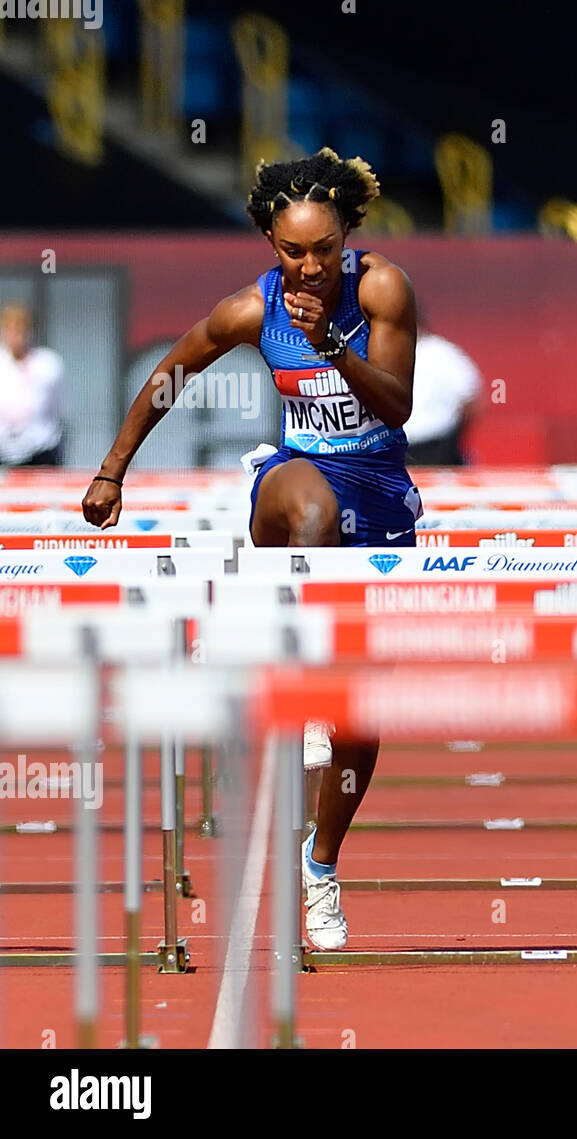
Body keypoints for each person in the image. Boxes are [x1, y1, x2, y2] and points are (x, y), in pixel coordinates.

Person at [82, 147, 422, 950]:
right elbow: (171, 373)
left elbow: (400, 406)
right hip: (294, 483)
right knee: (308, 508)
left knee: (361, 723)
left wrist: (336, 348)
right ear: (270, 243)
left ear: (348, 237)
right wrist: (111, 471)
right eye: (292, 251)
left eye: (324, 250)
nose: (308, 268)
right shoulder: (251, 309)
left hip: (377, 487)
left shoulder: (383, 289)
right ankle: (290, 662)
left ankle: (322, 864)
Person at [403, 331, 482, 465]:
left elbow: (470, 401)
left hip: (436, 447)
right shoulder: (444, 353)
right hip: (397, 448)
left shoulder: (442, 353)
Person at [0, 300, 64, 467]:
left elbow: (56, 409)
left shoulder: (48, 364)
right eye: (11, 329)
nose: (16, 335)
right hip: (4, 452)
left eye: (21, 329)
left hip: (40, 452)